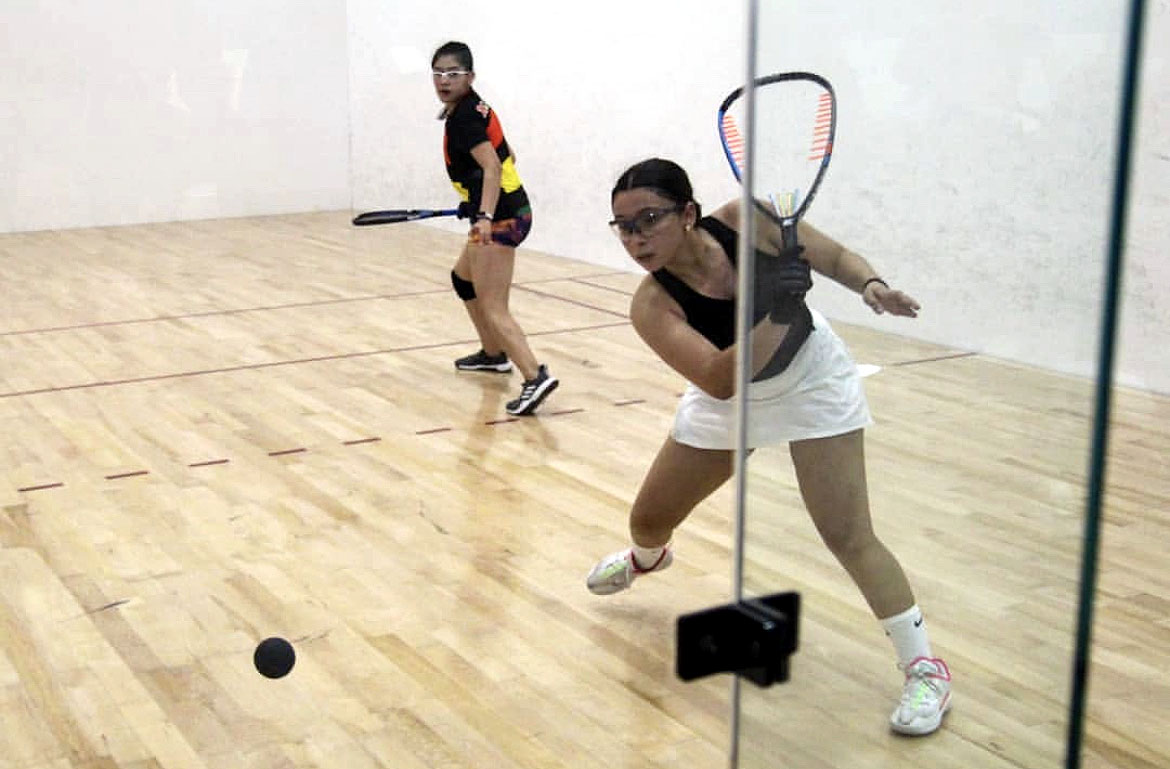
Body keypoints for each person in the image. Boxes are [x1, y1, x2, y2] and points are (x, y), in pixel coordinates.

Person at [586, 158, 951, 736]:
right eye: (624, 227)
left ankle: (925, 669)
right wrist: (777, 312)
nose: (635, 239)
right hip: (730, 398)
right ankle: (646, 559)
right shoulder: (651, 305)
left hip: (811, 381)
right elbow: (718, 380)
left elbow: (834, 257)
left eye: (649, 220)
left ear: (688, 213)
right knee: (647, 521)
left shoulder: (749, 220)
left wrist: (871, 285)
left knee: (848, 534)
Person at [431, 41, 558, 416]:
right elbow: (507, 154)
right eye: (438, 73)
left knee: (493, 306)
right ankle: (493, 355)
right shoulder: (476, 107)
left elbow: (491, 167)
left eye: (453, 73)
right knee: (463, 280)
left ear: (469, 77)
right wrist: (475, 201)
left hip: (500, 219)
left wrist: (485, 214)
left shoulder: (464, 119)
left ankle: (534, 375)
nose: (444, 80)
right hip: (511, 209)